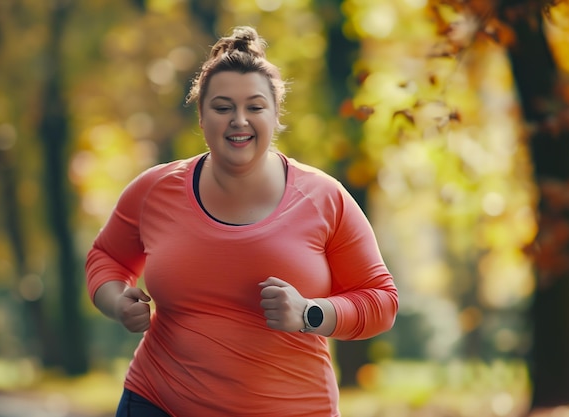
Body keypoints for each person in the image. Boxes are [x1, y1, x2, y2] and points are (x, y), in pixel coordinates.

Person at [85, 26, 398, 417]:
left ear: (275, 116)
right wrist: (117, 302)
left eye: (254, 107)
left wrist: (309, 313)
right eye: (222, 107)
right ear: (201, 117)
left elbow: (381, 302)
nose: (239, 120)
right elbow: (106, 257)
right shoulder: (154, 189)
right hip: (160, 402)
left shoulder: (324, 197)